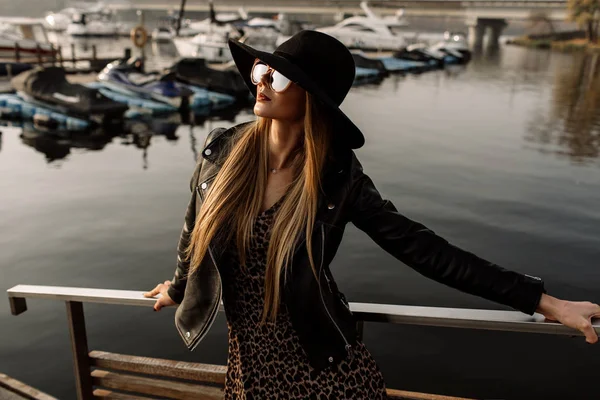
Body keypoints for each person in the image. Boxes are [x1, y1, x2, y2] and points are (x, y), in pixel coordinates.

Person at [144, 30, 600, 399]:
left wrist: (545, 302)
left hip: (326, 373)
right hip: (248, 370)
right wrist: (180, 285)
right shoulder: (223, 151)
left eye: (279, 78)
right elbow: (194, 228)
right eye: (262, 70)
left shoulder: (338, 177)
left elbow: (424, 250)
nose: (260, 82)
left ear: (312, 98)